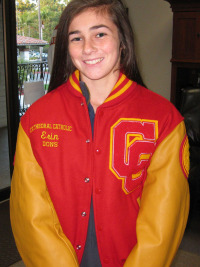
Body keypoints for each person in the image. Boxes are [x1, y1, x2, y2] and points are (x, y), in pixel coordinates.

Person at [10, 0, 190, 266]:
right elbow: (30, 213)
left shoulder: (164, 119)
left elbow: (164, 218)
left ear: (123, 40)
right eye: (76, 38)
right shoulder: (36, 119)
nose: (87, 48)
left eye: (100, 33)